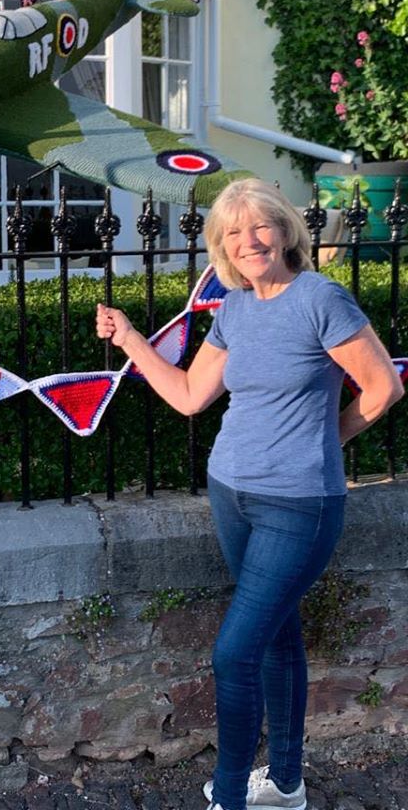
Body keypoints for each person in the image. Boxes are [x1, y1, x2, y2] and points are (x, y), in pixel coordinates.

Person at [95, 178, 404, 810]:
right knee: (276, 639)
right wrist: (129, 339)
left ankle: (229, 796)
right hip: (230, 491)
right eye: (233, 232)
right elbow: (188, 396)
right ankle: (286, 785)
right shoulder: (235, 307)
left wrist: (327, 440)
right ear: (221, 247)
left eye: (260, 226)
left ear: (286, 229)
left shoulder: (322, 299)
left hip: (299, 505)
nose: (248, 241)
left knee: (233, 654)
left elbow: (382, 389)